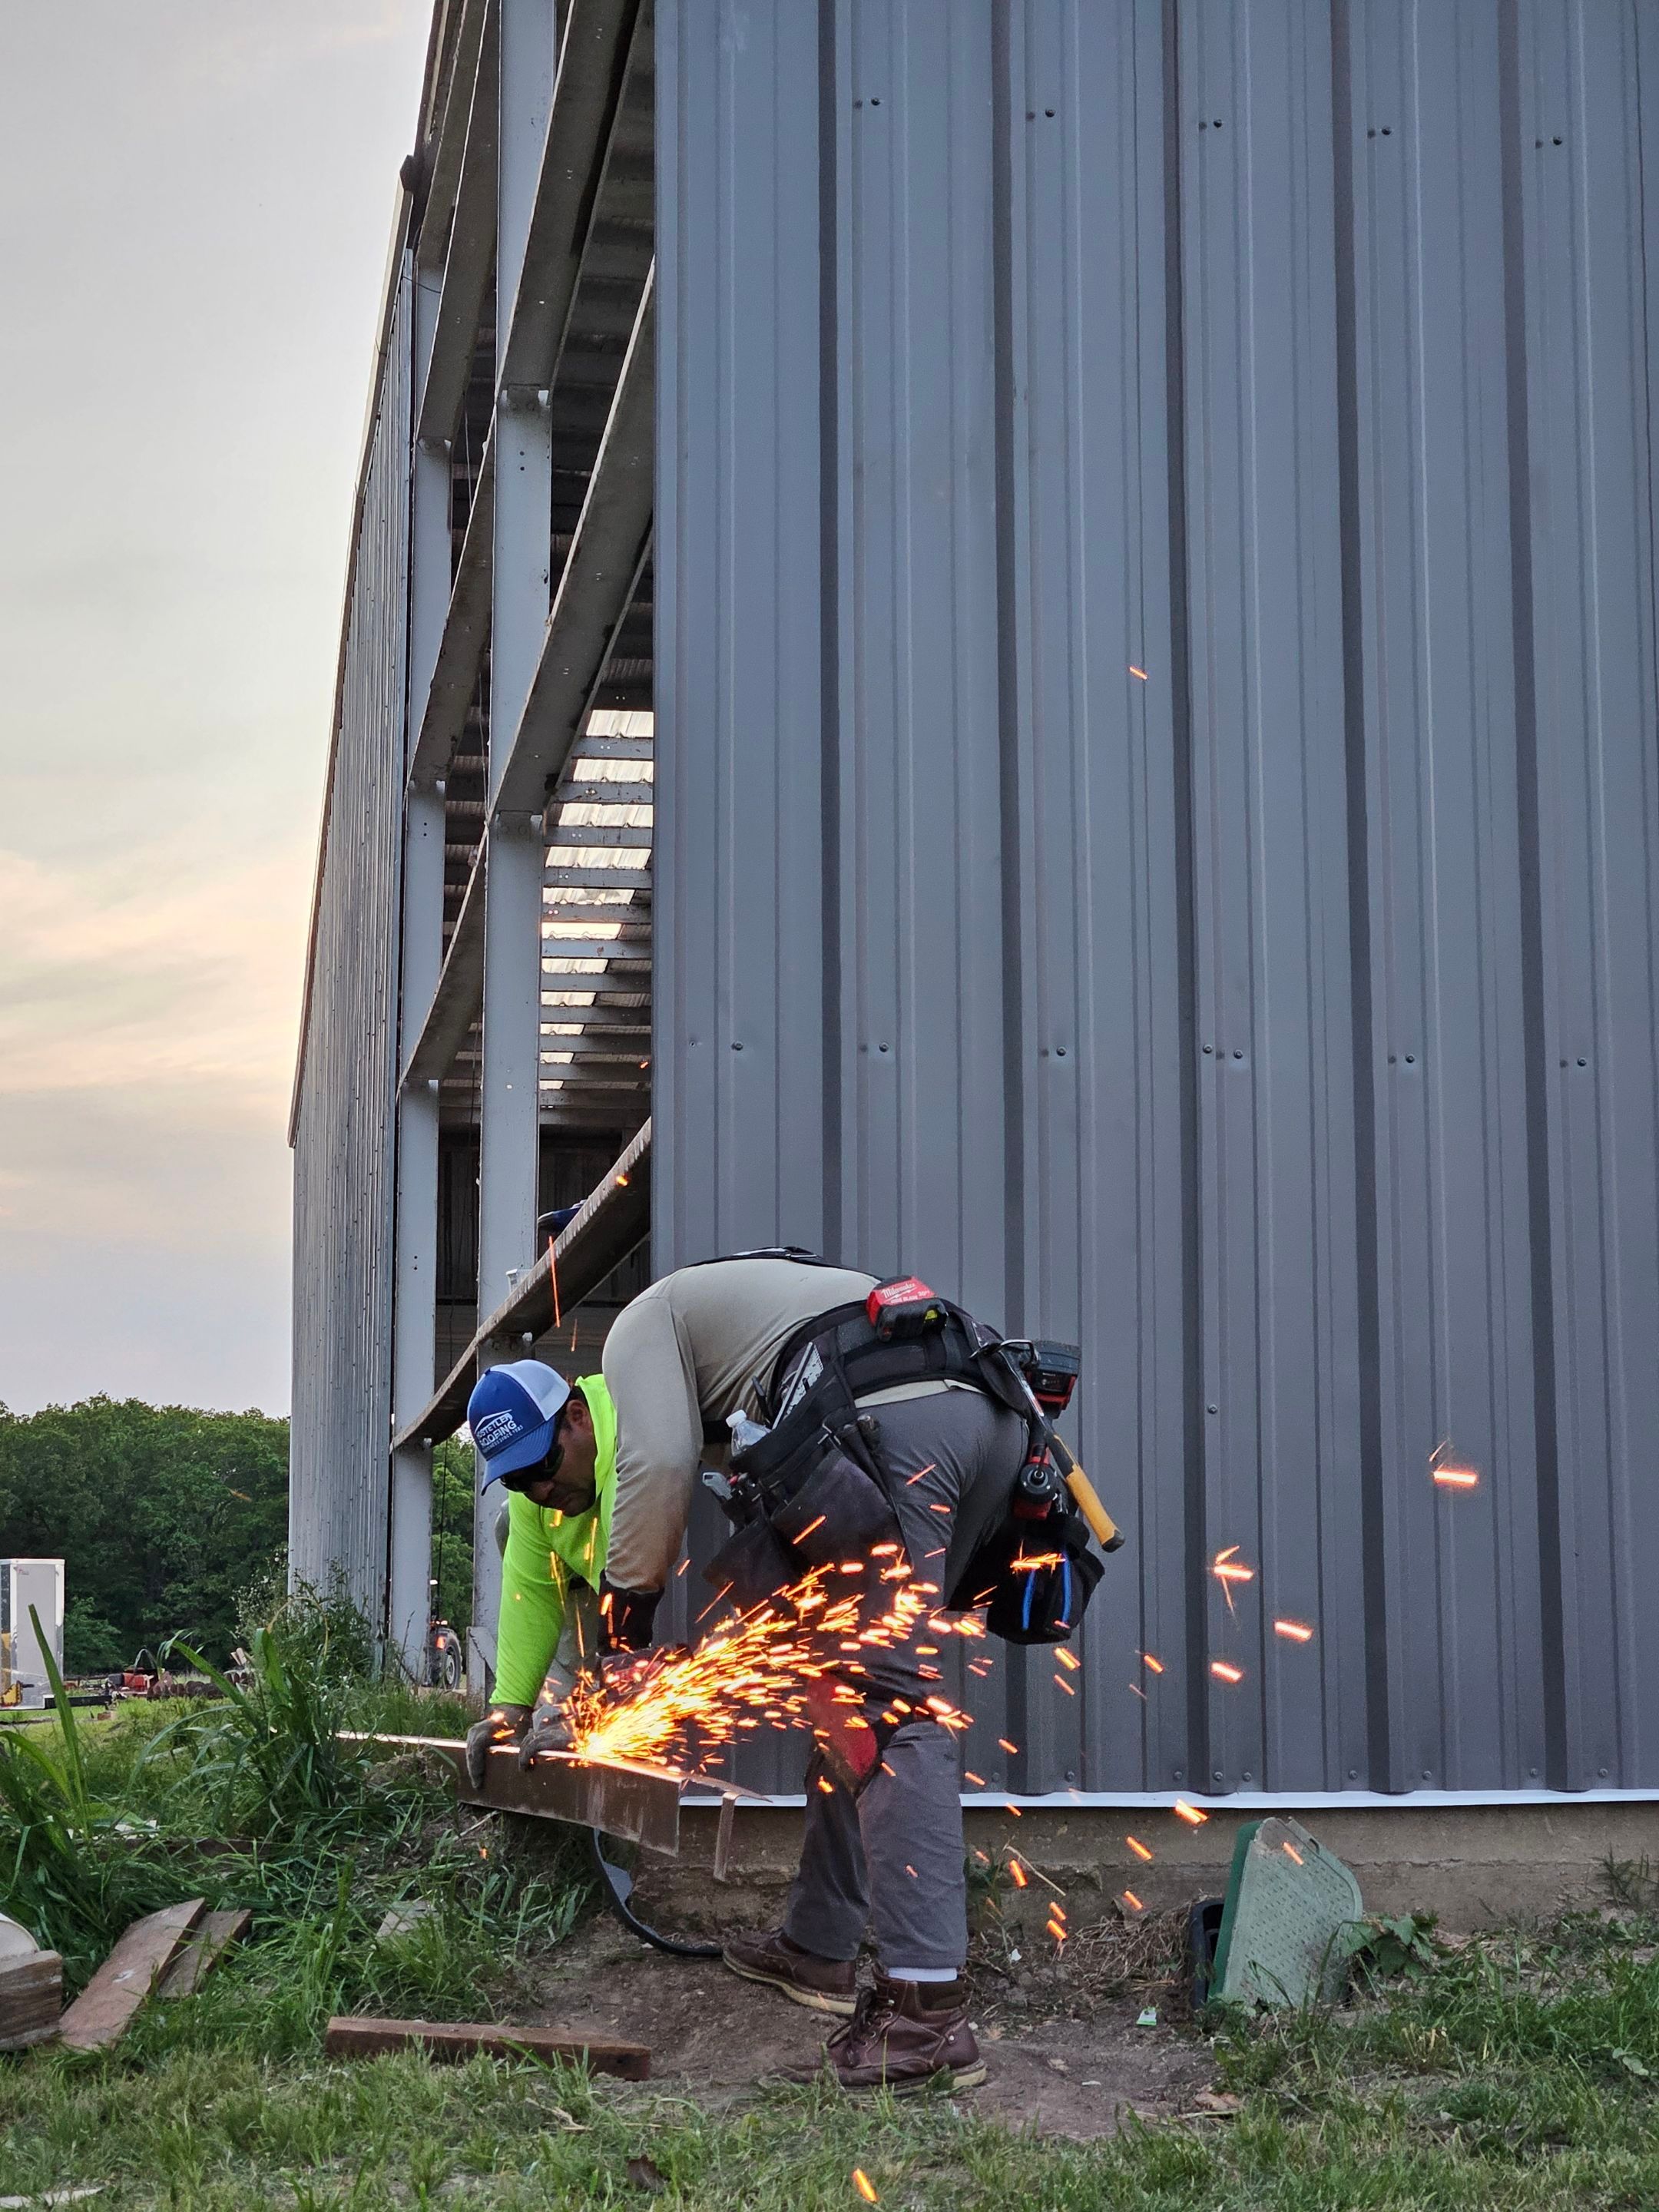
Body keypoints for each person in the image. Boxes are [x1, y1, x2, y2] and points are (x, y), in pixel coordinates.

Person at [580, 1253, 1038, 2091]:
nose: (555, 1494)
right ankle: (819, 1947)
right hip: (995, 1423)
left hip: (895, 1428)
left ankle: (926, 2017)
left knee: (889, 1714)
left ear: (578, 1422)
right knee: (844, 1697)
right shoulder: (748, 1312)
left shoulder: (640, 1327)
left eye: (549, 1478)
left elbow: (661, 1466)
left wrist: (625, 1630)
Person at [461, 1360, 620, 1790]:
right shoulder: (535, 1499)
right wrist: (510, 1707)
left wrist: (604, 1711)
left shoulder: (631, 1443)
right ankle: (570, 1699)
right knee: (509, 1524)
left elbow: (644, 1598)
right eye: (519, 1479)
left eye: (544, 1465)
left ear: (577, 1417)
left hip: (677, 1581)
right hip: (614, 1594)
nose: (540, 1490)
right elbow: (528, 1594)